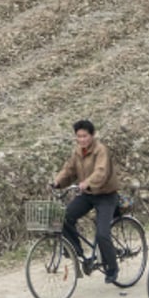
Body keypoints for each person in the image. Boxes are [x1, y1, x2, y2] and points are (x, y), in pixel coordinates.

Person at [51, 119, 121, 284]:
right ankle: (76, 251)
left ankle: (112, 268)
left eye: (85, 136)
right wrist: (57, 182)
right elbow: (69, 169)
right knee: (65, 217)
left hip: (106, 195)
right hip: (88, 195)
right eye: (79, 136)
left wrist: (87, 182)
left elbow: (101, 172)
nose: (82, 140)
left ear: (92, 135)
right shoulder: (77, 152)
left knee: (102, 234)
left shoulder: (100, 150)